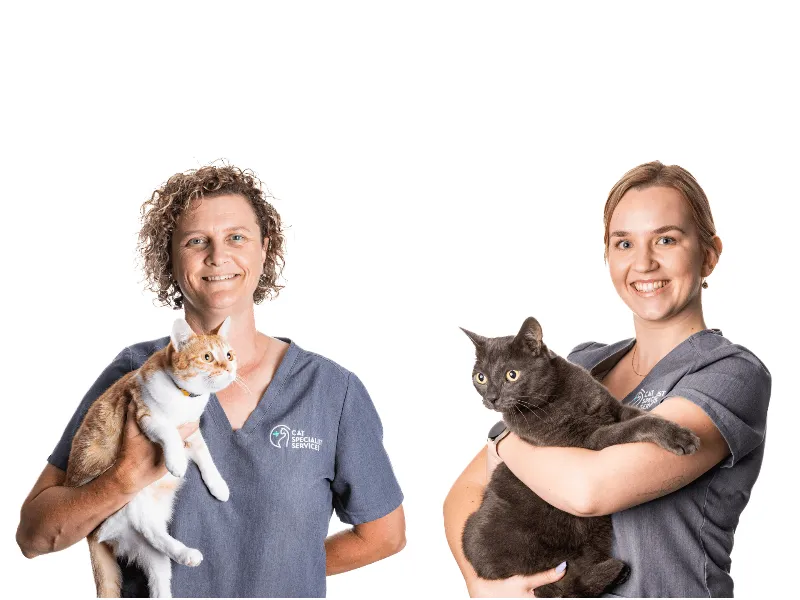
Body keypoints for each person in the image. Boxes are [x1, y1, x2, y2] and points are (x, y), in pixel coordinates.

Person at [16, 164, 406, 597]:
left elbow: (384, 535)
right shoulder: (133, 373)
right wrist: (124, 478)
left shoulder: (330, 392)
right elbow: (34, 536)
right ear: (170, 256)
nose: (218, 256)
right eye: (196, 241)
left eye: (236, 237)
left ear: (265, 249)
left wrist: (277, 575)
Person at [443, 161, 771, 597]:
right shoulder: (585, 363)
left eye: (667, 239)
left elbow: (588, 489)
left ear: (709, 254)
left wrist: (502, 441)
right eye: (624, 243)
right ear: (608, 256)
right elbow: (464, 492)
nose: (644, 263)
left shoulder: (729, 373)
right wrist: (481, 583)